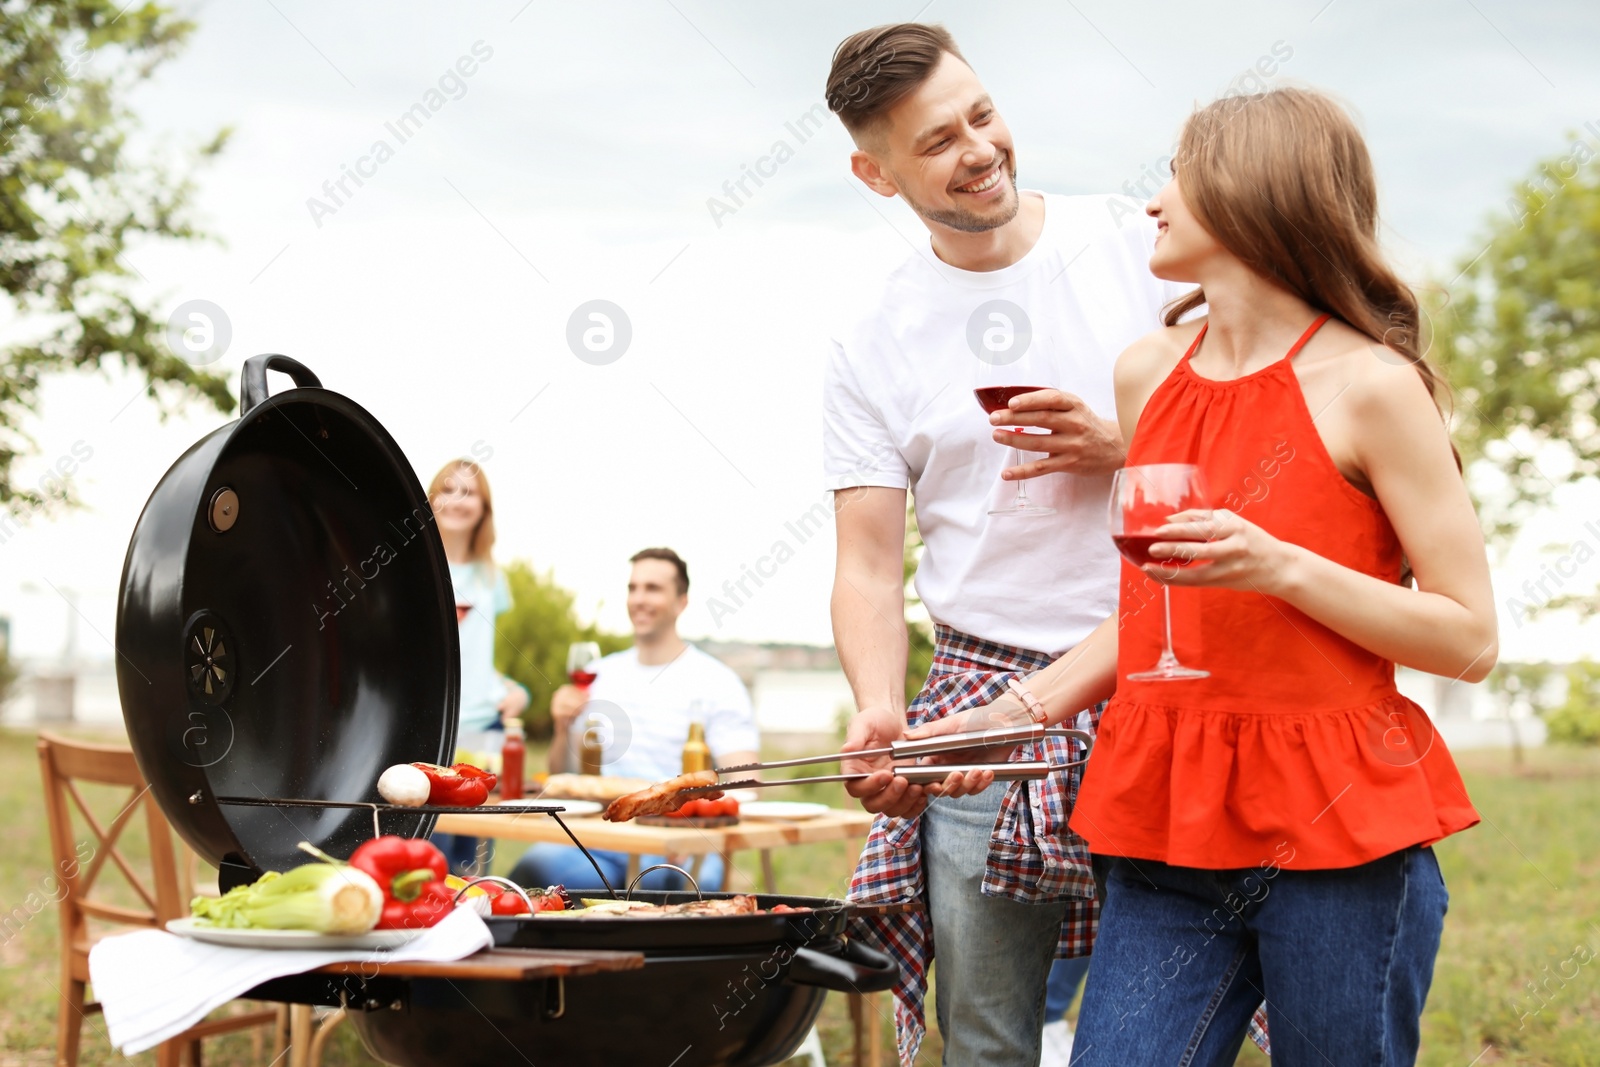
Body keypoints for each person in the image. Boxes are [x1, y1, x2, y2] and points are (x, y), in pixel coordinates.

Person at [914, 87, 1494, 1064]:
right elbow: (1153, 608)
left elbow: (1468, 636)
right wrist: (1019, 708)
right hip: (1164, 821)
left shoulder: (1375, 388)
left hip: (1337, 835)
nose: (1155, 200)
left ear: (1252, 189)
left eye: (1178, 172)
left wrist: (1280, 566)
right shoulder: (1145, 372)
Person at [820, 23, 1185, 1067]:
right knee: (983, 1038)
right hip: (982, 710)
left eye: (980, 115)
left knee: (1154, 1027)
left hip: (1156, 674)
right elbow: (865, 559)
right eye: (936, 141)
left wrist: (1123, 446)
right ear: (875, 174)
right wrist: (881, 701)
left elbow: (1249, 425)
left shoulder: (1134, 243)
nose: (977, 148)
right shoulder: (870, 335)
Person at [509, 548, 759, 893]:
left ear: (681, 601)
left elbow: (744, 784)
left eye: (653, 588)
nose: (639, 599)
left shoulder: (716, 681)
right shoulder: (602, 673)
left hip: (680, 842)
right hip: (603, 839)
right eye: (633, 588)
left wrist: (691, 827)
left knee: (676, 888)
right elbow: (565, 775)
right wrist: (562, 727)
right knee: (531, 870)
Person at [426, 459, 530, 876]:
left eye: (469, 492)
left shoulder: (492, 577)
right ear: (430, 499)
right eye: (447, 489)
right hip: (433, 721)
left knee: (474, 845)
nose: (456, 500)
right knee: (429, 835)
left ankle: (474, 924)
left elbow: (479, 655)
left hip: (483, 726)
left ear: (484, 507)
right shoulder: (415, 569)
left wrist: (514, 689)